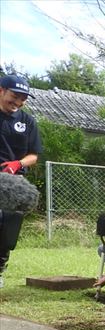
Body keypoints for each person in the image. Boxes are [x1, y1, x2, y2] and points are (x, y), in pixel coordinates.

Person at [0, 74, 42, 289]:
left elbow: (34, 155)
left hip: (13, 185)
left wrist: (17, 164)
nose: (18, 102)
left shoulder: (27, 122)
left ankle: (0, 270)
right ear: (1, 91)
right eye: (14, 96)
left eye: (23, 98)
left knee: (8, 231)